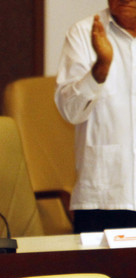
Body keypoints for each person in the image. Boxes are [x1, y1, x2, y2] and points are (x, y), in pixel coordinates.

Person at [55, 1, 136, 233]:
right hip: (102, 198)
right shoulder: (84, 32)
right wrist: (99, 69)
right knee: (97, 271)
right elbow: (71, 112)